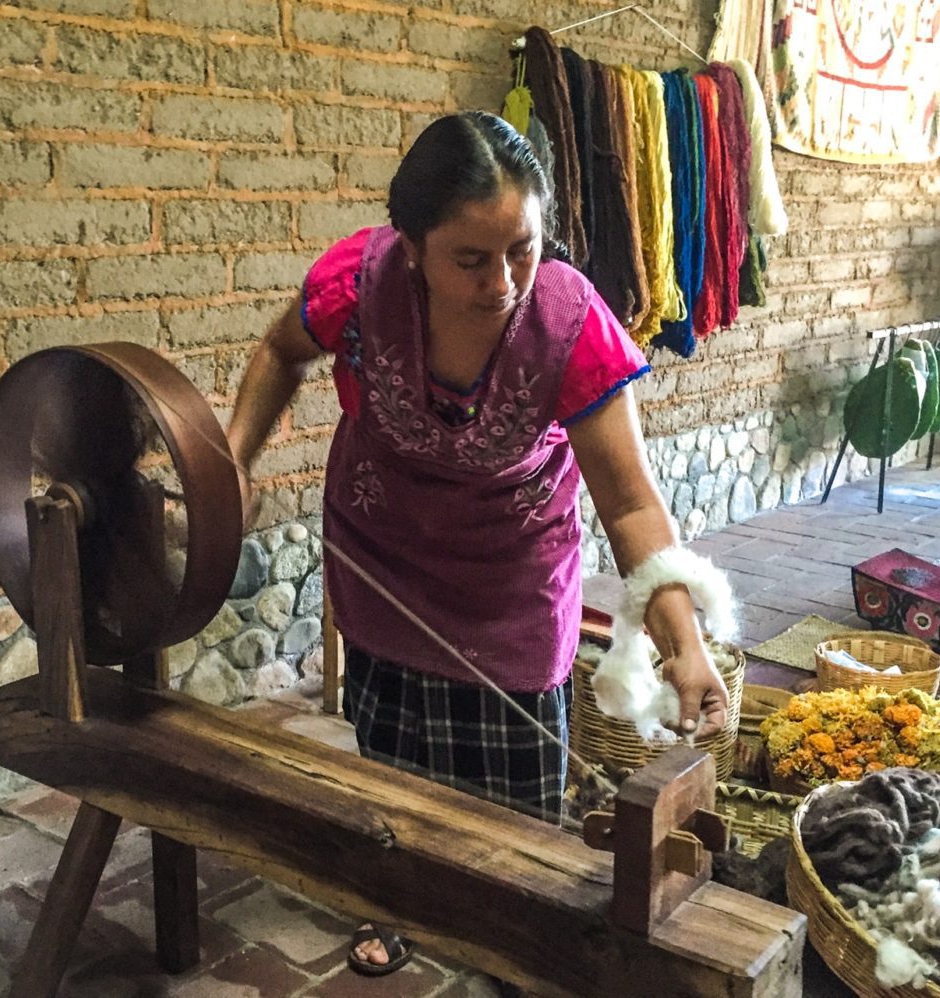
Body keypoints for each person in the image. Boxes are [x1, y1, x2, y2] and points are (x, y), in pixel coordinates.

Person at [227, 110, 729, 977]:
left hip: (509, 576)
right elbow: (280, 350)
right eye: (470, 258)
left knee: (515, 813)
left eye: (522, 249)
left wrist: (684, 646)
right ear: (411, 246)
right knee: (393, 764)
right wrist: (232, 464)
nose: (502, 282)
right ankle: (399, 905)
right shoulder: (358, 283)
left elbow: (631, 503)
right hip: (382, 552)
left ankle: (507, 936)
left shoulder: (571, 324)